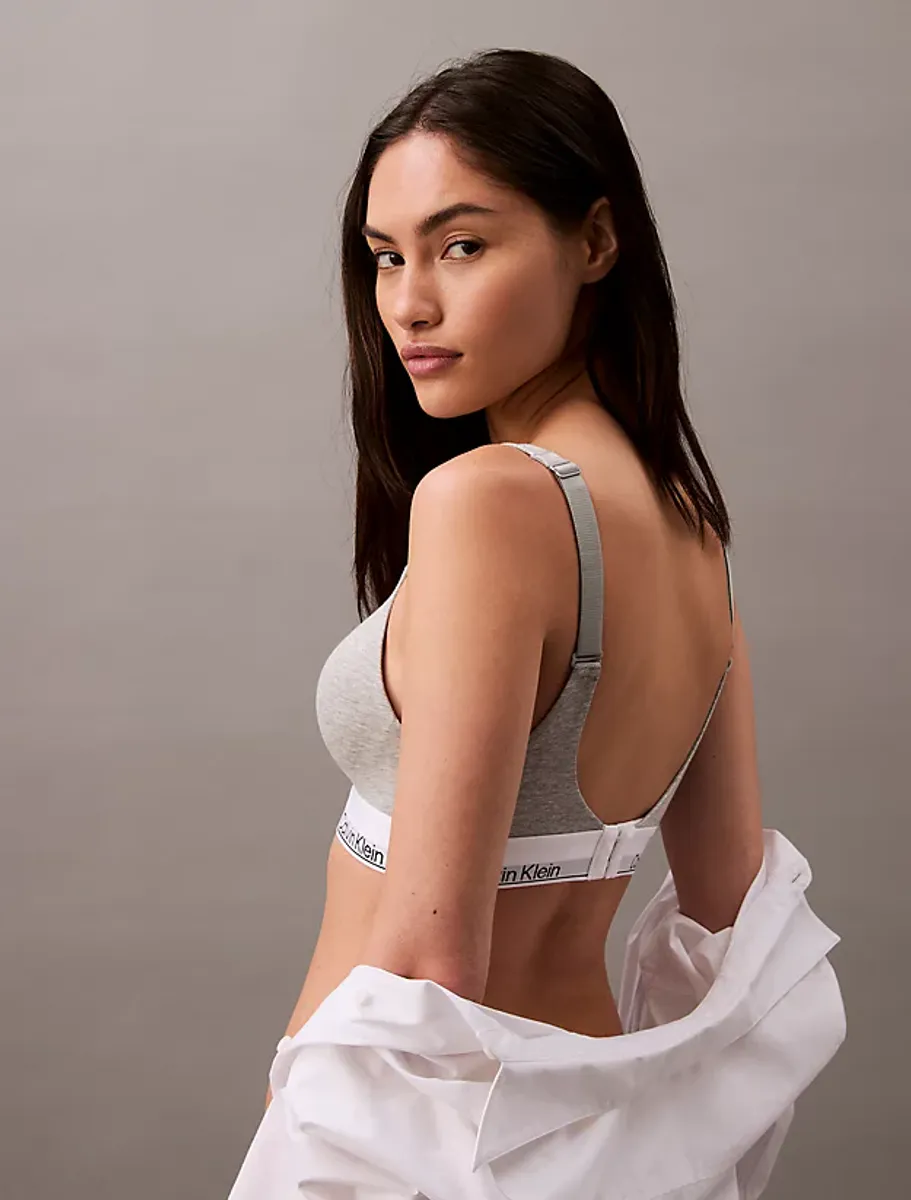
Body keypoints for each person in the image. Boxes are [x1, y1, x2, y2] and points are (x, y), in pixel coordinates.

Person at [226, 47, 845, 1200]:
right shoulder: (688, 524)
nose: (409, 302)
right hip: (595, 1148)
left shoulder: (488, 504)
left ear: (595, 242)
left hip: (415, 1151)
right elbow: (730, 916)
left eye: (462, 245)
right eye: (385, 256)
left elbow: (428, 962)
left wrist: (296, 1159)